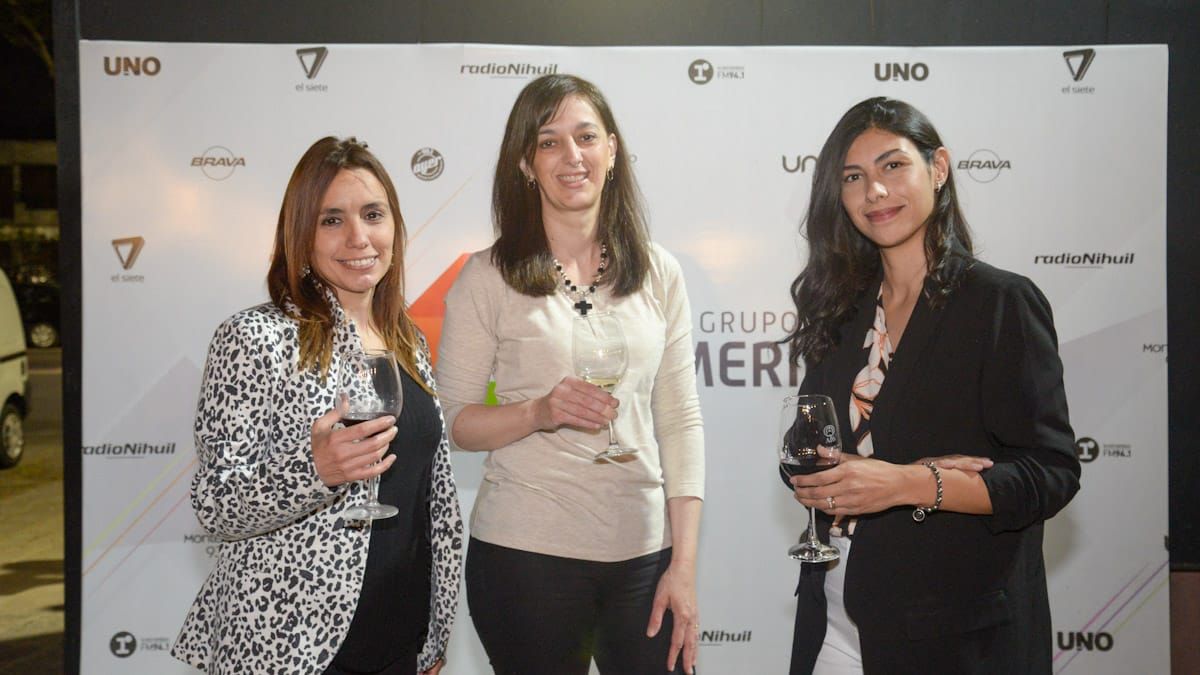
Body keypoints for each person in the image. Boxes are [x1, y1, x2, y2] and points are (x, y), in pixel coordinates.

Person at [782, 98, 1081, 675]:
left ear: (938, 168)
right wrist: (827, 476)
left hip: (953, 631)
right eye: (853, 177)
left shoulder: (998, 303)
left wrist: (910, 482)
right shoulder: (842, 312)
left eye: (893, 166)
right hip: (836, 613)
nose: (874, 191)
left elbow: (1052, 473)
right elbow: (805, 449)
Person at [435, 73, 705, 675]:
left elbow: (681, 421)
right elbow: (457, 423)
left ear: (612, 150)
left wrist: (682, 566)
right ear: (526, 165)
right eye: (549, 141)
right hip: (525, 556)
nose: (571, 156)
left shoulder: (659, 272)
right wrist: (539, 412)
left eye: (585, 137)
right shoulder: (486, 277)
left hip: (645, 553)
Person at [171, 137, 463, 675]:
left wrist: (436, 629)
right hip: (287, 648)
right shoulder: (256, 338)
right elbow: (213, 505)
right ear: (300, 235)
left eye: (373, 214)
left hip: (400, 639)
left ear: (394, 225)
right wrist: (315, 471)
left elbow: (430, 502)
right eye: (332, 220)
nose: (358, 237)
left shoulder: (408, 342)